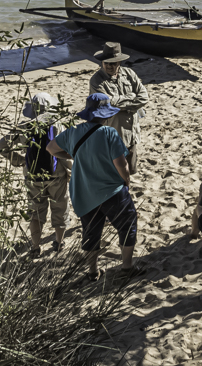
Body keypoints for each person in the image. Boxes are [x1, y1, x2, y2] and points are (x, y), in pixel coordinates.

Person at [46, 93, 141, 281]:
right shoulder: (109, 133)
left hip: (84, 192)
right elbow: (121, 164)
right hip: (111, 191)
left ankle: (92, 271)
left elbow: (51, 148)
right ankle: (127, 267)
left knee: (91, 232)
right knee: (127, 225)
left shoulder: (73, 131)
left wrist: (72, 155)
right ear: (107, 115)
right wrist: (127, 181)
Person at [0, 92, 71, 258]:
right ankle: (59, 243)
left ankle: (36, 247)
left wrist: (19, 160)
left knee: (36, 213)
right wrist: (69, 171)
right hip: (56, 176)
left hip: (32, 175)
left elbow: (1, 146)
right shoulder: (57, 126)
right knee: (60, 209)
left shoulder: (24, 127)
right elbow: (65, 152)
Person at [89, 42, 149, 175]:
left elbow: (144, 97)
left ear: (119, 62)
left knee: (130, 172)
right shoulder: (96, 81)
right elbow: (106, 103)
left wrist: (118, 102)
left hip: (131, 134)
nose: (109, 66)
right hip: (112, 137)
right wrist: (131, 98)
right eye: (106, 63)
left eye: (113, 63)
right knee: (113, 174)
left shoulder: (129, 73)